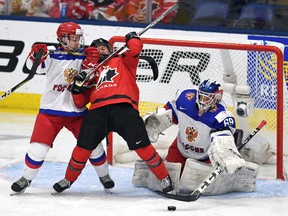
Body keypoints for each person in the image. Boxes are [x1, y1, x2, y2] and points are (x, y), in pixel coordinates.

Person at [52, 32, 175, 195]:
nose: (101, 49)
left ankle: (164, 177)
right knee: (82, 148)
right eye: (97, 48)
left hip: (124, 108)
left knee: (143, 147)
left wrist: (132, 38)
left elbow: (136, 48)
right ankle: (68, 179)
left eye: (104, 47)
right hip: (97, 111)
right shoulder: (90, 72)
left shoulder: (123, 61)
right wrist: (76, 90)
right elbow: (80, 103)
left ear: (111, 49)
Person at [10, 22, 114, 195]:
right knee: (38, 148)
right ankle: (26, 178)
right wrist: (35, 54)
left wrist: (92, 59)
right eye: (74, 38)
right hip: (50, 112)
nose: (78, 42)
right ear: (63, 39)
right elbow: (31, 68)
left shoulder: (84, 55)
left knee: (94, 145)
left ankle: (105, 176)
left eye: (79, 38)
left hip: (78, 112)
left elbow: (89, 78)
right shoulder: (51, 56)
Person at [133, 79, 259, 195]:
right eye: (201, 96)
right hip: (180, 149)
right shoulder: (185, 99)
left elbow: (222, 141)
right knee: (169, 178)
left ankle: (237, 177)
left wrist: (225, 153)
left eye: (207, 97)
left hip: (204, 157)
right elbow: (168, 114)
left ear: (217, 97)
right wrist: (156, 120)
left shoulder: (222, 115)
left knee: (198, 186)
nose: (203, 100)